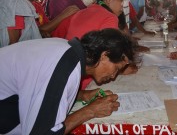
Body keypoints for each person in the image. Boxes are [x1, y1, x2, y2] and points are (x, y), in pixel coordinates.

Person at [0, 28, 134, 134]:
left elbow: (44, 90)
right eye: (116, 68)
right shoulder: (64, 65)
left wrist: (81, 95)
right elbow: (42, 132)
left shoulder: (67, 49)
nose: (113, 76)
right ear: (104, 56)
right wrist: (91, 111)